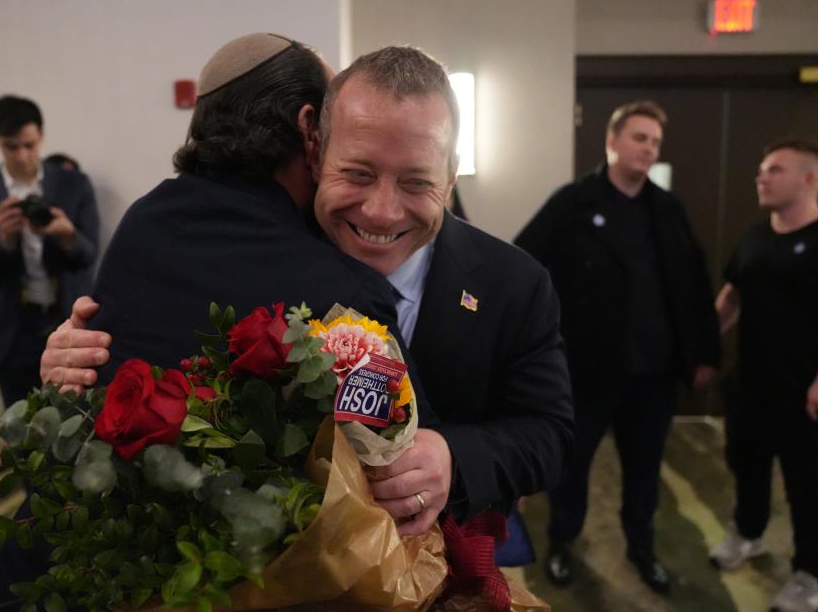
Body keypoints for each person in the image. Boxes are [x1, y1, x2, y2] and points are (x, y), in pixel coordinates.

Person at [42, 44, 574, 528]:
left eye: (417, 182)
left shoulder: (514, 282)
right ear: (316, 150)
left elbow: (550, 435)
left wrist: (452, 458)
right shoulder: (277, 260)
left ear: (451, 175)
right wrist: (78, 361)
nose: (381, 212)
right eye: (359, 174)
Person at [514, 100, 720, 593]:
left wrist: (704, 352)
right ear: (612, 142)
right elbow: (524, 263)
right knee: (572, 466)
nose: (648, 148)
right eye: (639, 137)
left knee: (645, 470)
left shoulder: (666, 209)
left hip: (653, 373)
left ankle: (642, 547)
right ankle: (563, 543)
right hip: (587, 370)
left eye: (654, 141)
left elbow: (693, 284)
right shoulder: (573, 202)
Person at [708, 139, 818, 612]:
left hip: (809, 395)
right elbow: (731, 298)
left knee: (809, 487)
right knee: (748, 469)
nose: (761, 178)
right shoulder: (756, 238)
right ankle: (749, 533)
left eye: (774, 170)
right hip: (752, 388)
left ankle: (810, 574)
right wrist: (699, 348)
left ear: (808, 178)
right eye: (762, 170)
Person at [0, 95, 99, 411]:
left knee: (76, 420)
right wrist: (3, 238)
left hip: (68, 321)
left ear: (41, 136)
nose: (23, 156)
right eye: (11, 146)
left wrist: (66, 234)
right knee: (21, 424)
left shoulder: (73, 183)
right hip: (12, 329)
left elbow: (89, 254)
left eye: (30, 145)